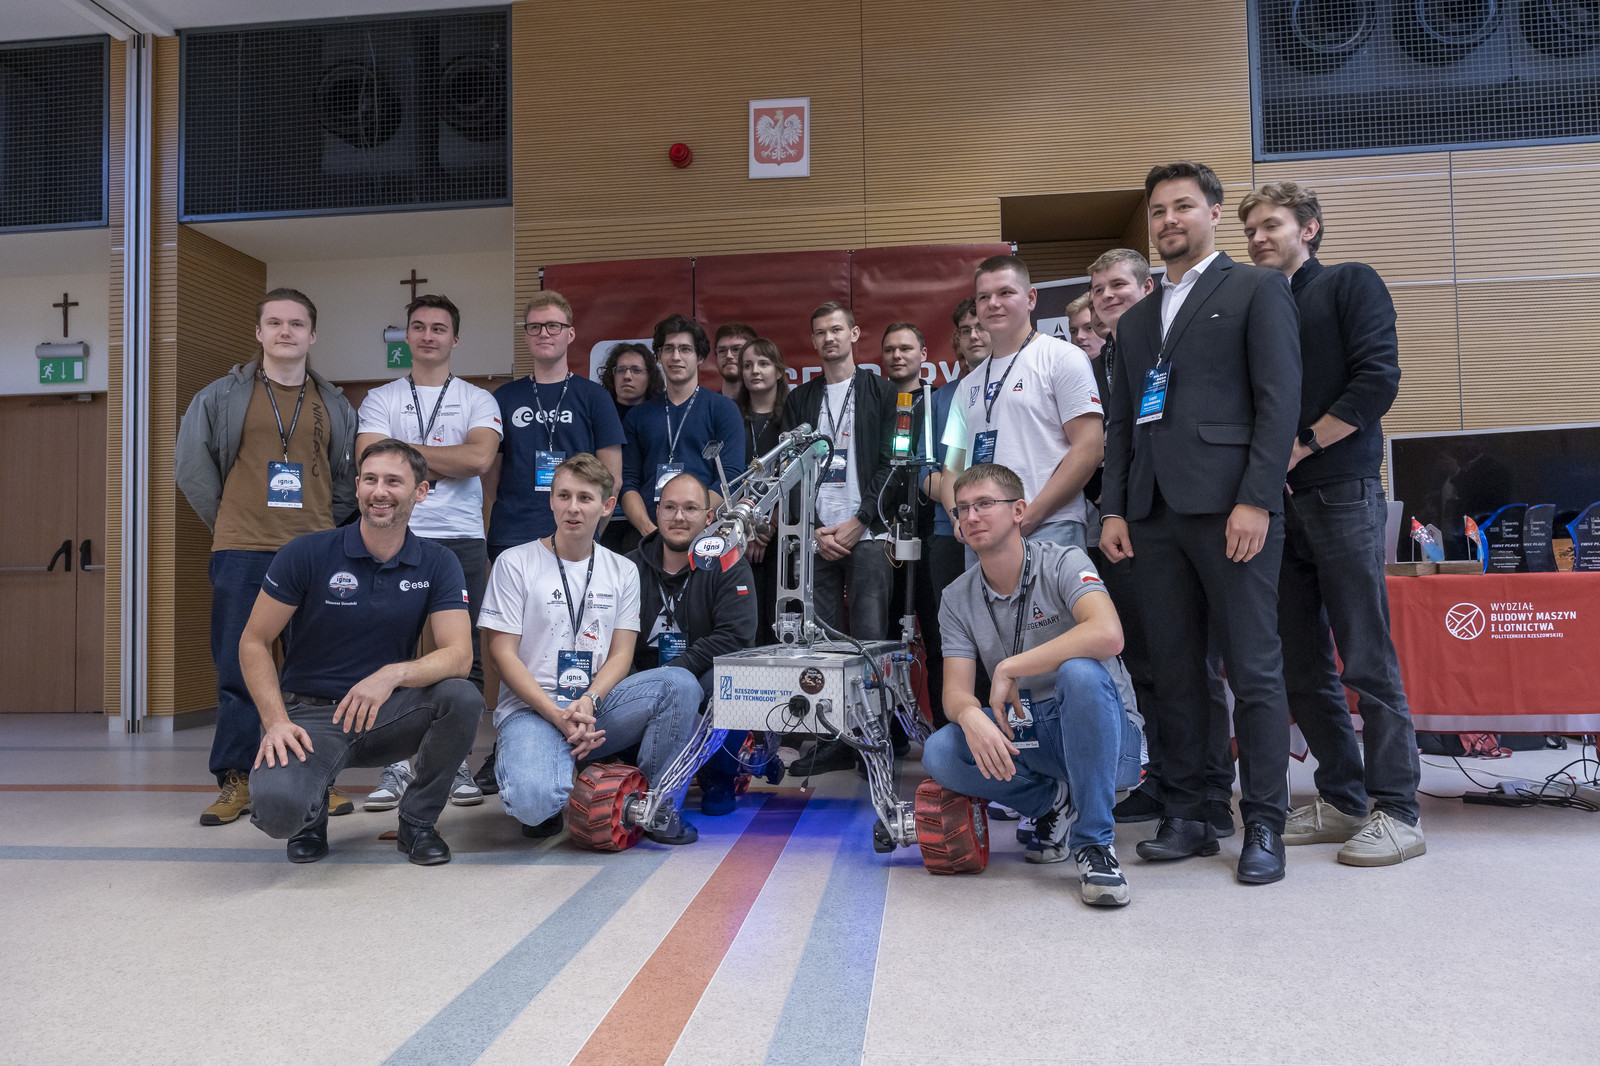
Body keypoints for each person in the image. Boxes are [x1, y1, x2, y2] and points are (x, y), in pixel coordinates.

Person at [1099, 160, 1301, 885]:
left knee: (1253, 668)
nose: (1168, 221)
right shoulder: (1136, 318)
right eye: (1158, 211)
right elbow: (1121, 423)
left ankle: (1266, 823)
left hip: (1231, 509)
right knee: (1175, 671)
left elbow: (1279, 400)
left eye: (1182, 207)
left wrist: (1257, 498)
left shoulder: (1256, 288)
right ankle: (1188, 812)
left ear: (1214, 214)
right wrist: (1114, 507)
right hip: (1152, 516)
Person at [1240, 180, 1424, 866]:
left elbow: (1378, 381)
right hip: (1275, 506)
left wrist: (1302, 445)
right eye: (1250, 230)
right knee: (1301, 666)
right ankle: (1344, 800)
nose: (1258, 238)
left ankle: (1398, 811)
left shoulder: (1350, 283)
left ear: (1309, 227)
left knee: (1366, 659)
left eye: (1272, 225)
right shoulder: (1256, 305)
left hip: (1342, 491)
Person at [243, 439, 483, 865]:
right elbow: (254, 641)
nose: (379, 492)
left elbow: (459, 656)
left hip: (387, 713)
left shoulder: (438, 562)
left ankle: (417, 823)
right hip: (310, 717)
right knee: (279, 815)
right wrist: (276, 722)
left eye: (393, 481)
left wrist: (392, 674)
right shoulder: (306, 553)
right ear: (357, 487)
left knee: (462, 697)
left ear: (420, 492)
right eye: (370, 480)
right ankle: (309, 816)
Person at [176, 287, 359, 828]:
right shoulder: (219, 397)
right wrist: (230, 521)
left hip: (314, 553)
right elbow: (192, 468)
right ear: (258, 332)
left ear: (312, 334)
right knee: (237, 666)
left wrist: (323, 526)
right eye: (274, 322)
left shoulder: (334, 403)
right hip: (242, 550)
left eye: (296, 323)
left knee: (313, 673)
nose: (285, 331)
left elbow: (345, 478)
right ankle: (235, 779)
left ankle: (316, 776)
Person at [922, 463, 1145, 907]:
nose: (971, 516)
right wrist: (969, 715)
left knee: (1080, 672)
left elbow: (1108, 634)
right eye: (962, 509)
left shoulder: (1063, 561)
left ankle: (1095, 844)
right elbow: (955, 692)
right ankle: (1051, 802)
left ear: (1019, 511)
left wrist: (1008, 668)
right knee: (941, 751)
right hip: (1029, 729)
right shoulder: (957, 597)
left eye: (985, 504)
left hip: (1105, 733)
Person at [480, 453, 705, 844]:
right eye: (564, 496)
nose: (573, 507)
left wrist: (588, 701)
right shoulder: (514, 563)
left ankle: (655, 804)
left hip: (597, 705)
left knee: (681, 683)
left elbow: (621, 654)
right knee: (534, 805)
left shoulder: (622, 569)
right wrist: (554, 713)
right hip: (533, 708)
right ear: (551, 501)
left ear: (606, 506)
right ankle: (548, 773)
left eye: (585, 498)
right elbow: (502, 654)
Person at [1089, 250, 1234, 832]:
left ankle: (1213, 791)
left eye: (1118, 285)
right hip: (1133, 518)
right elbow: (1117, 438)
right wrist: (1115, 510)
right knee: (1149, 664)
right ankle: (1167, 781)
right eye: (1098, 289)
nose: (1107, 296)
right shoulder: (1102, 358)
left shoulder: (1171, 342)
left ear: (1148, 289)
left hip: (1190, 512)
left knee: (1198, 663)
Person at [355, 294, 501, 812]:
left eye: (439, 328)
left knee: (465, 655)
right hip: (393, 535)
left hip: (461, 538)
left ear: (454, 339)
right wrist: (440, 460)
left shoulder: (478, 399)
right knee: (392, 647)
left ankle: (452, 760)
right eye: (418, 327)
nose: (428, 336)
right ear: (408, 336)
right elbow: (368, 459)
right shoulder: (380, 398)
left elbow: (479, 458)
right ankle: (396, 762)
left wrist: (401, 458)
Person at [780, 301, 898, 777]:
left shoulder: (881, 391)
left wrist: (861, 519)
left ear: (854, 333)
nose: (828, 338)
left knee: (869, 641)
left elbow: (893, 464)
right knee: (824, 645)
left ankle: (873, 744)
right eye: (820, 332)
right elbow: (789, 470)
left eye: (836, 329)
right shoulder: (800, 399)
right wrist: (812, 528)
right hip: (816, 537)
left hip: (868, 534)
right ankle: (834, 740)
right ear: (813, 341)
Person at [940, 256, 1104, 553]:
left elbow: (1089, 448)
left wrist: (1030, 517)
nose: (993, 303)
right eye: (984, 297)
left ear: (1031, 298)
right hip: (982, 535)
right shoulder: (968, 384)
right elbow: (952, 466)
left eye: (1005, 292)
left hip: (1051, 525)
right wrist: (960, 517)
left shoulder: (1062, 357)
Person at [627, 473, 760, 815]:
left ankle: (719, 776)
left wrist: (673, 673)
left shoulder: (729, 564)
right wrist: (639, 680)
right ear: (657, 512)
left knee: (732, 679)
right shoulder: (626, 567)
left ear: (708, 516)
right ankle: (630, 764)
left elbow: (735, 636)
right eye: (670, 507)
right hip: (638, 678)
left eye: (690, 508)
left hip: (699, 675)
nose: (679, 517)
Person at [487, 292, 625, 559]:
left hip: (575, 536)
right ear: (526, 335)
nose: (543, 333)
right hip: (512, 535)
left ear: (570, 334)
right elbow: (490, 477)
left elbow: (612, 479)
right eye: (534, 327)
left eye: (553, 326)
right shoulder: (503, 397)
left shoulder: (595, 397)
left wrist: (589, 530)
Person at [620, 314, 746, 537]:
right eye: (668, 349)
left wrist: (693, 521)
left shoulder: (723, 409)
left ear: (700, 357)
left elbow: (731, 477)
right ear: (659, 356)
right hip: (648, 536)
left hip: (707, 534)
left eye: (685, 349)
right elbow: (628, 483)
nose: (676, 357)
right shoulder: (637, 416)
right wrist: (649, 531)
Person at [737, 338, 790, 643]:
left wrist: (767, 526)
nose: (755, 371)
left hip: (780, 533)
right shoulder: (732, 415)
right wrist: (747, 529)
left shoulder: (792, 417)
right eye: (748, 365)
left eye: (763, 363)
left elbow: (797, 477)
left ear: (779, 371)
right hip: (737, 531)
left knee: (775, 618)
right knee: (745, 616)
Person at [598, 341, 664, 555]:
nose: (627, 376)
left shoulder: (662, 418)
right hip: (604, 517)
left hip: (647, 516)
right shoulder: (597, 414)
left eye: (636, 370)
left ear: (650, 376)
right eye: (621, 370)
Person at [880, 321, 929, 393]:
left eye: (905, 349)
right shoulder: (869, 398)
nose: (896, 355)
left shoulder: (938, 399)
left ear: (923, 354)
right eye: (889, 350)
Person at [713, 323, 757, 401]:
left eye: (736, 349)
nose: (728, 356)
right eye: (722, 351)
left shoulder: (769, 405)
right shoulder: (708, 406)